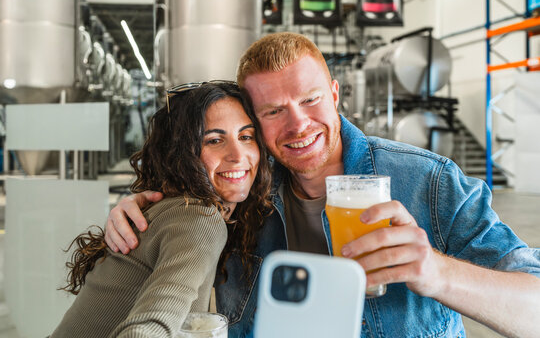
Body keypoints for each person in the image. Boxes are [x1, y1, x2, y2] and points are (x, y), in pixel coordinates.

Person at [105, 33, 540, 338]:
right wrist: (144, 209)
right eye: (273, 111)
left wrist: (437, 272)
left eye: (310, 100)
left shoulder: (427, 181)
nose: (298, 124)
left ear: (335, 94)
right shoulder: (245, 191)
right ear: (255, 123)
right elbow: (185, 204)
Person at [51, 82, 272, 337]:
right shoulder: (200, 219)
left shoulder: (179, 209)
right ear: (183, 155)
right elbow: (146, 331)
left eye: (246, 136)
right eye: (214, 140)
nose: (237, 154)